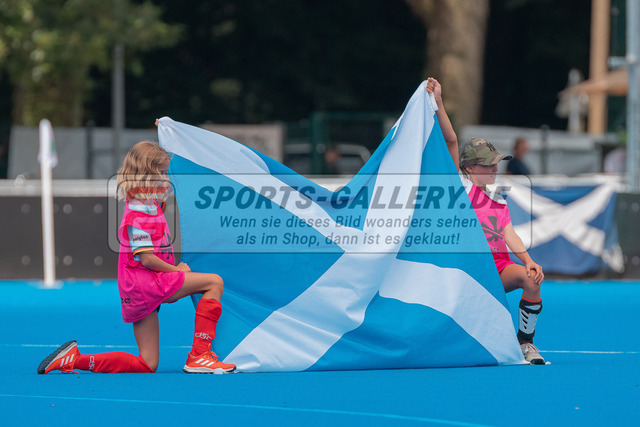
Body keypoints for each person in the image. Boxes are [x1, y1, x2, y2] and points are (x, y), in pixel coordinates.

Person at [38, 140, 236, 374]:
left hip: (141, 288)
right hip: (148, 284)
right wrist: (178, 270)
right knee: (214, 282)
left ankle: (74, 359)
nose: (167, 178)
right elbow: (147, 259)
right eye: (162, 172)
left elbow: (171, 188)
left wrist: (165, 132)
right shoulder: (138, 213)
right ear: (147, 174)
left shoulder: (150, 203)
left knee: (147, 364)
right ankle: (199, 356)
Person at [426, 78, 546, 364]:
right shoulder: (459, 188)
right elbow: (451, 140)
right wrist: (439, 102)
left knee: (532, 278)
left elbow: (509, 234)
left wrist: (528, 260)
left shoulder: (498, 198)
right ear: (469, 168)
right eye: (487, 164)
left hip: (497, 269)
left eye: (496, 163)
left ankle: (526, 343)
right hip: (465, 270)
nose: (494, 168)